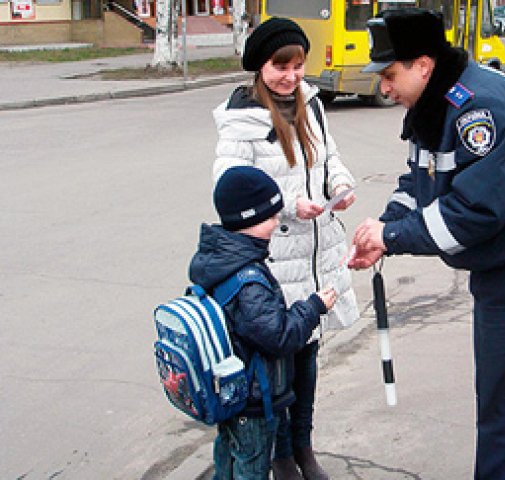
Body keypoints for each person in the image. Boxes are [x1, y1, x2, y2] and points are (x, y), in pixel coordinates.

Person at [349, 8, 505, 480]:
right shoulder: (435, 105)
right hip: (502, 270)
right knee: (498, 400)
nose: (384, 87)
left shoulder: (481, 110)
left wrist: (390, 237)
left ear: (424, 66)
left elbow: (475, 213)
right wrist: (386, 227)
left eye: (390, 75)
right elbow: (419, 180)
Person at [211, 17, 360, 480]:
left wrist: (340, 181)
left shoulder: (311, 105)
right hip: (276, 258)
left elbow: (329, 155)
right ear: (260, 66)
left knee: (308, 359)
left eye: (298, 65)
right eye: (281, 66)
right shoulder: (242, 119)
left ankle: (303, 447)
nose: (291, 76)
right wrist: (289, 204)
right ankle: (279, 457)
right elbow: (229, 187)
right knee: (277, 369)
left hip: (317, 254)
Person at [188, 166, 337, 480]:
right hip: (252, 398)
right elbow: (278, 335)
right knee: (252, 467)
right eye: (271, 216)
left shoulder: (219, 260)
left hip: (229, 391)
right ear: (249, 220)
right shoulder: (249, 281)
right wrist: (313, 307)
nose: (277, 221)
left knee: (227, 457)